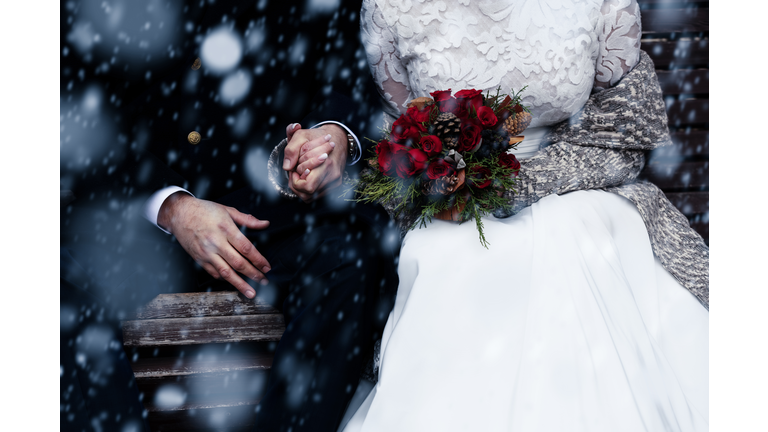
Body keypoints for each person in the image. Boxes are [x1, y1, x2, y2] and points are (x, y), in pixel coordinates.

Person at [279, 1, 708, 431]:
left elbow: (625, 131)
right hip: (450, 208)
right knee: (453, 255)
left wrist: (506, 188)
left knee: (574, 240)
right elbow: (390, 140)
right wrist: (437, 183)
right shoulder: (390, 7)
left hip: (583, 189)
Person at [60, 1, 398, 431]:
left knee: (353, 253)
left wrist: (332, 135)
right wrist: (172, 205)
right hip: (124, 224)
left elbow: (345, 78)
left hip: (264, 219)